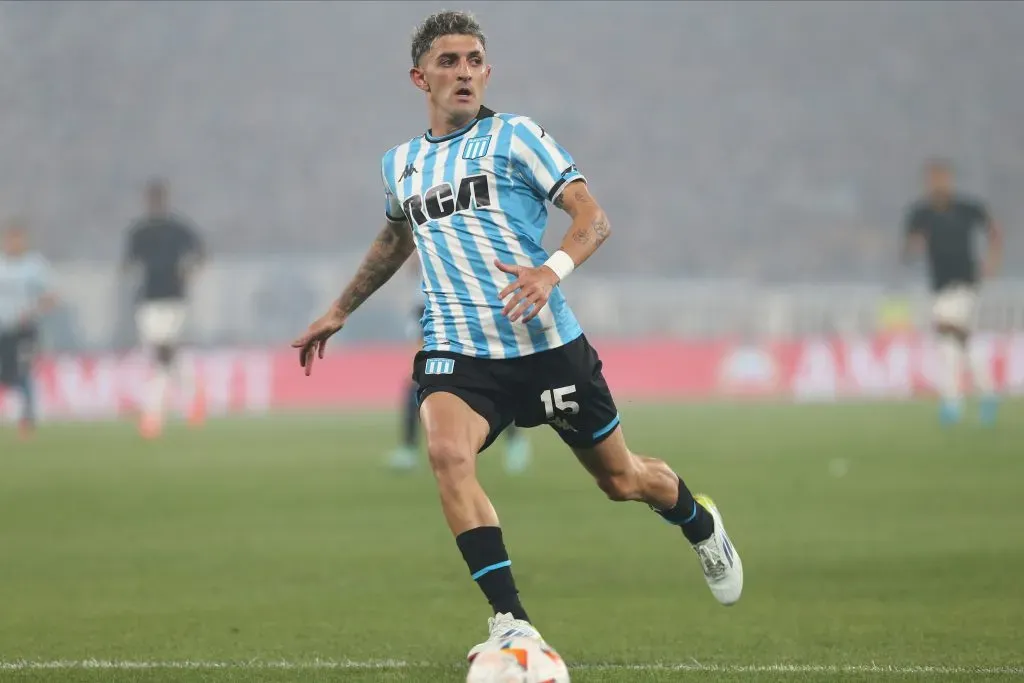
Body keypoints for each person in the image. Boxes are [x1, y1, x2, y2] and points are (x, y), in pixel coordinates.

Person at [292, 10, 743, 661]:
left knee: (620, 479)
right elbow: (397, 235)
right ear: (420, 76)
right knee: (447, 454)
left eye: (474, 59)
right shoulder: (401, 165)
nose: (464, 71)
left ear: (488, 71)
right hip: (460, 353)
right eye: (449, 61)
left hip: (547, 350)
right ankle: (511, 620)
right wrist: (341, 307)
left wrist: (550, 271)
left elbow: (593, 217)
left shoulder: (516, 137)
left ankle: (700, 523)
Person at [389, 260, 532, 473]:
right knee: (415, 386)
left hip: (462, 314)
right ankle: (409, 449)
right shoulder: (422, 288)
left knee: (491, 381)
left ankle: (514, 442)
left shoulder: (457, 263)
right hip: (432, 315)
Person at [903, 159, 1004, 425]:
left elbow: (994, 231)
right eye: (932, 179)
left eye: (941, 178)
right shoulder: (921, 213)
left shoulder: (967, 208)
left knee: (947, 328)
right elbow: (908, 248)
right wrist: (913, 246)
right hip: (939, 285)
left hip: (965, 282)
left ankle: (954, 402)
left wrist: (992, 261)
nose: (937, 183)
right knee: (952, 345)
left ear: (950, 180)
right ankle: (981, 394)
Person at [122, 179, 206, 438]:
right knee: (167, 355)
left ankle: (152, 416)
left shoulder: (177, 228)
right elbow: (128, 262)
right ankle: (194, 394)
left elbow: (200, 252)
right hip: (148, 300)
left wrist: (189, 271)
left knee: (162, 355)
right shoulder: (139, 231)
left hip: (174, 299)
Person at [0, 221, 57, 438]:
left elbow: (52, 296)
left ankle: (27, 419)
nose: (14, 244)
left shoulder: (34, 266)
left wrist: (33, 309)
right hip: (3, 329)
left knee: (24, 371)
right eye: (11, 239)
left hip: (25, 329)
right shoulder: (1, 266)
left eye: (18, 239)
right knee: (6, 374)